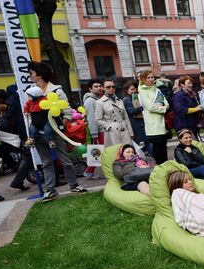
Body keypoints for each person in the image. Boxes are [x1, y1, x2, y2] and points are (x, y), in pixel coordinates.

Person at [28, 61, 88, 202]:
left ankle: (74, 185)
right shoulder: (31, 90)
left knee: (65, 160)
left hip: (55, 131)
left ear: (40, 75)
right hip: (38, 132)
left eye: (31, 73)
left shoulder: (56, 91)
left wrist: (61, 124)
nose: (29, 76)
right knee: (46, 162)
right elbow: (29, 109)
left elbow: (67, 110)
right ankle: (50, 190)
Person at [138, 70, 169, 165]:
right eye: (148, 77)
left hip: (162, 123)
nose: (151, 79)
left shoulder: (157, 89)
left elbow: (166, 103)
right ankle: (160, 171)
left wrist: (162, 107)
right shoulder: (142, 92)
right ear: (143, 79)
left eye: (152, 77)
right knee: (157, 151)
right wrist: (162, 108)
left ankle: (166, 170)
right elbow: (150, 107)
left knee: (164, 150)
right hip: (153, 125)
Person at [94, 79, 134, 148]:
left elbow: (126, 117)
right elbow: (98, 119)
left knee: (128, 152)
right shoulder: (100, 102)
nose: (111, 88)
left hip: (124, 131)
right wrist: (109, 127)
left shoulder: (120, 101)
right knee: (115, 154)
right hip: (112, 133)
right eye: (108, 87)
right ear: (103, 88)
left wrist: (130, 132)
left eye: (113, 87)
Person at [83, 79, 104, 178]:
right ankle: (89, 171)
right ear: (90, 89)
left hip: (102, 129)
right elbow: (91, 118)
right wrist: (94, 134)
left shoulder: (97, 99)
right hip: (98, 131)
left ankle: (89, 171)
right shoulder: (90, 100)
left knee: (98, 151)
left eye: (100, 86)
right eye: (96, 86)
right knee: (99, 151)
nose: (99, 88)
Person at [122, 80, 149, 153]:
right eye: (131, 89)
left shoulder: (135, 97)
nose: (134, 91)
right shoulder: (126, 99)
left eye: (134, 89)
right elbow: (131, 111)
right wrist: (142, 107)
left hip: (140, 123)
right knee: (137, 143)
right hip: (135, 124)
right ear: (126, 90)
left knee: (146, 141)